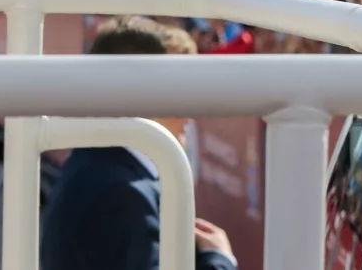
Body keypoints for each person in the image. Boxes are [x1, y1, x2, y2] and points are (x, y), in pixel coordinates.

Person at [40, 16, 237, 270]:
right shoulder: (122, 190)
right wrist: (219, 259)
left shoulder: (103, 167)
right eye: (178, 89)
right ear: (138, 92)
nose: (189, 111)